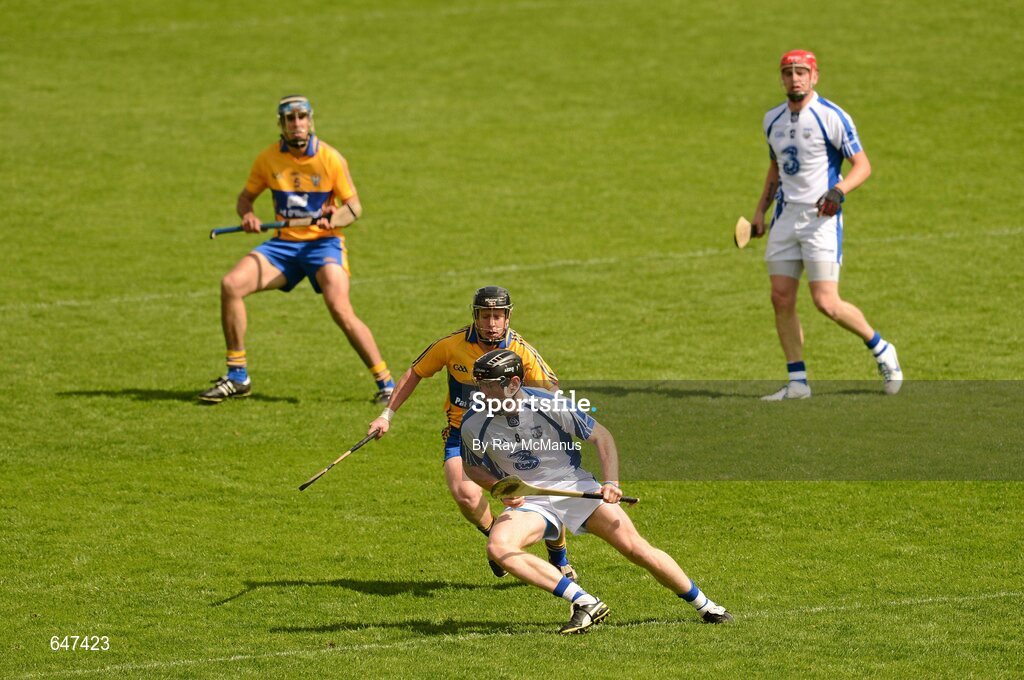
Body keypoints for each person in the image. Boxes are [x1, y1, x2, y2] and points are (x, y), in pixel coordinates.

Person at [460, 349, 733, 634]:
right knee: (499, 548)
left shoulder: (550, 404)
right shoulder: (473, 423)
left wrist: (611, 483)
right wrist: (498, 487)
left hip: (574, 486)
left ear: (513, 383)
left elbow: (602, 437)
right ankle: (584, 601)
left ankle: (706, 606)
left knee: (636, 549)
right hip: (531, 500)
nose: (482, 391)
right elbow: (471, 467)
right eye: (480, 384)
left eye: (490, 385)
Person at [367, 286, 577, 580]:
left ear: (508, 317)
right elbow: (415, 373)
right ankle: (498, 541)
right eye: (485, 316)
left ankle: (559, 557)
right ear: (475, 316)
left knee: (540, 497)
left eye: (497, 316)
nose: (491, 323)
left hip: (513, 436)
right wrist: (386, 415)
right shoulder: (451, 345)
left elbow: (551, 390)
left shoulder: (521, 351)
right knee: (465, 495)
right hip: (462, 435)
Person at [199, 95, 395, 404]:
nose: (297, 124)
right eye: (290, 119)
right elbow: (244, 199)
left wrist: (335, 218)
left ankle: (386, 383)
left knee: (340, 308)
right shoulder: (267, 159)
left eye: (302, 117)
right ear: (281, 124)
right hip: (284, 246)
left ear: (310, 121)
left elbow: (354, 208)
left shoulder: (330, 159)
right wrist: (247, 216)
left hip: (324, 244)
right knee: (231, 285)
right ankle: (238, 375)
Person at [751, 50, 903, 400]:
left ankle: (882, 349)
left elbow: (862, 165)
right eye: (788, 73)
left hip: (821, 219)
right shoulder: (771, 120)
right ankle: (797, 382)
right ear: (781, 79)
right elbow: (776, 167)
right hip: (785, 219)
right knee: (781, 297)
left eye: (802, 72)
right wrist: (760, 211)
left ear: (815, 76)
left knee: (826, 302)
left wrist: (839, 190)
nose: (795, 79)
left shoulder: (831, 116)